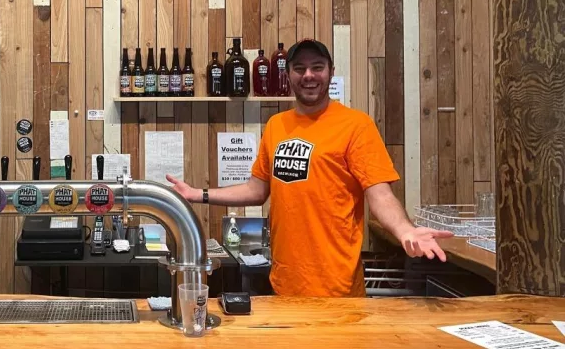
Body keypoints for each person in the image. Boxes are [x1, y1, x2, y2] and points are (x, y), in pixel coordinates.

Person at [166, 39, 454, 297]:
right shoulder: (277, 125)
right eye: (299, 68)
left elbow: (379, 194)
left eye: (317, 67)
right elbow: (256, 190)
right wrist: (198, 194)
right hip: (284, 283)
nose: (308, 75)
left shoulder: (356, 125)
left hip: (337, 289)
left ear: (330, 71)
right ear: (288, 74)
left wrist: (405, 230)